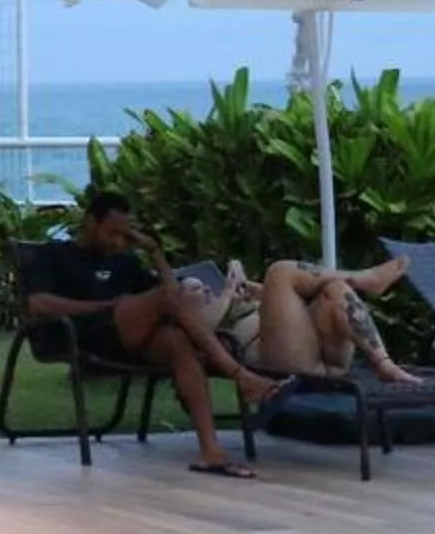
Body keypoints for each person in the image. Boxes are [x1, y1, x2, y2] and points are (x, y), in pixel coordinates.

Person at [27, 190, 291, 478]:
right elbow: (38, 303)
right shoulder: (55, 254)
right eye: (111, 233)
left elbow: (173, 296)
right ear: (91, 222)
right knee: (167, 299)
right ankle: (241, 376)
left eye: (123, 235)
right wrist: (109, 306)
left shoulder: (124, 262)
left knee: (178, 342)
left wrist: (155, 252)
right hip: (84, 334)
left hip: (128, 338)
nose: (117, 242)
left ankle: (211, 452)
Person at [205, 253, 423, 383]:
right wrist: (226, 295)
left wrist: (260, 293)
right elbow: (201, 330)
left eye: (205, 288)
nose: (205, 290)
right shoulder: (195, 314)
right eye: (197, 290)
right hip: (277, 360)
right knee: (279, 272)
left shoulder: (229, 303)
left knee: (333, 288)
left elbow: (287, 315)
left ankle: (384, 363)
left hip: (324, 355)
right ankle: (365, 278)